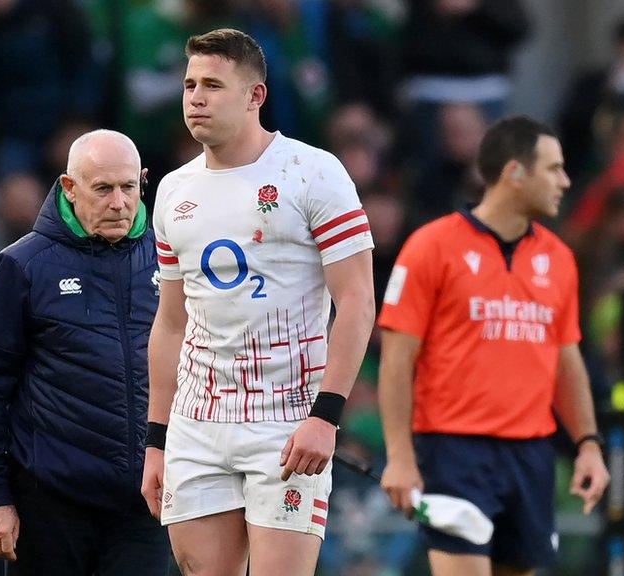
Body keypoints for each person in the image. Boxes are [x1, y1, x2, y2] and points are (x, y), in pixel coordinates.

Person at [141, 28, 375, 576]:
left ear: (255, 96)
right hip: (197, 423)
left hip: (288, 421)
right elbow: (171, 324)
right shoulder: (173, 191)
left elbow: (357, 301)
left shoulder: (313, 172)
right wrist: (158, 439)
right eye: (189, 84)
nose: (195, 97)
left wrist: (327, 415)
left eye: (214, 85)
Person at [377, 116, 610, 576]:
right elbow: (396, 361)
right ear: (515, 173)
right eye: (553, 169)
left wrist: (588, 444)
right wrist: (400, 458)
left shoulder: (559, 259)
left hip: (531, 454)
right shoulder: (431, 246)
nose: (565, 181)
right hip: (453, 450)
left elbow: (567, 360)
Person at [0, 130, 170, 575]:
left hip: (146, 501)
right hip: (50, 506)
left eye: (129, 187)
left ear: (143, 182)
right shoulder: (23, 265)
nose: (118, 202)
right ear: (69, 187)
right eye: (103, 189)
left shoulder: (170, 260)